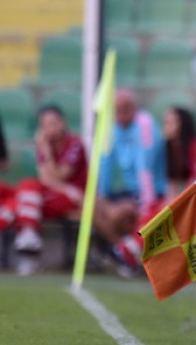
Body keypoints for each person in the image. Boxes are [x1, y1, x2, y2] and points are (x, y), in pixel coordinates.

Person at [3, 105, 87, 275]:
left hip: (71, 198)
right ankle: (28, 239)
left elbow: (58, 176)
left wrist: (46, 151)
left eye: (54, 123)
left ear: (63, 123)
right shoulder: (45, 145)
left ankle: (28, 247)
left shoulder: (74, 144)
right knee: (27, 188)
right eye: (46, 125)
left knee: (22, 195)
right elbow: (45, 180)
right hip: (48, 195)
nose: (50, 128)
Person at [93, 89, 167, 271]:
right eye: (117, 110)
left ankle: (126, 253)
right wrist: (102, 195)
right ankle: (125, 251)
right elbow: (105, 163)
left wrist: (145, 206)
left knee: (119, 215)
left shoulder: (145, 125)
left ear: (134, 108)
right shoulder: (112, 128)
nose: (121, 115)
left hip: (150, 192)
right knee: (91, 208)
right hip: (127, 191)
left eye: (126, 109)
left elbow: (145, 168)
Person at [162, 106, 196, 199]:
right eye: (165, 123)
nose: (165, 126)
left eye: (169, 122)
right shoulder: (172, 149)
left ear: (182, 124)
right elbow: (172, 184)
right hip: (190, 197)